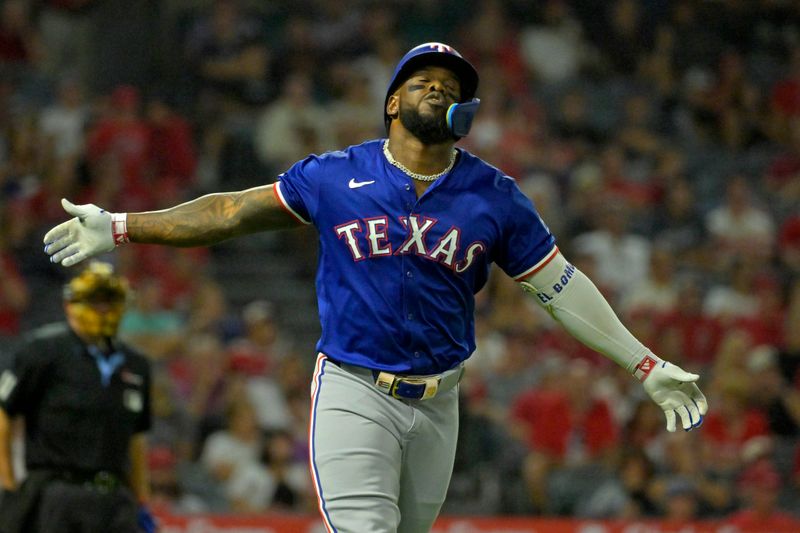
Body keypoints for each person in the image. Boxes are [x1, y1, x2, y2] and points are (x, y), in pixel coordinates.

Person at [42, 42, 707, 533]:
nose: (439, 89)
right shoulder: (335, 174)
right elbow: (230, 212)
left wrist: (643, 363)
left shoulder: (494, 195)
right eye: (423, 81)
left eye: (452, 85)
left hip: (442, 400)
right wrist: (125, 226)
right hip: (355, 388)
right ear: (392, 102)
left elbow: (560, 286)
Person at [0, 261, 156, 533]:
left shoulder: (136, 364)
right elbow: (3, 413)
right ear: (71, 304)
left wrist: (141, 498)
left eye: (110, 301)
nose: (103, 309)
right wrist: (9, 484)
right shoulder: (42, 352)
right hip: (56, 494)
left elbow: (137, 438)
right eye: (95, 301)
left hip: (115, 496)